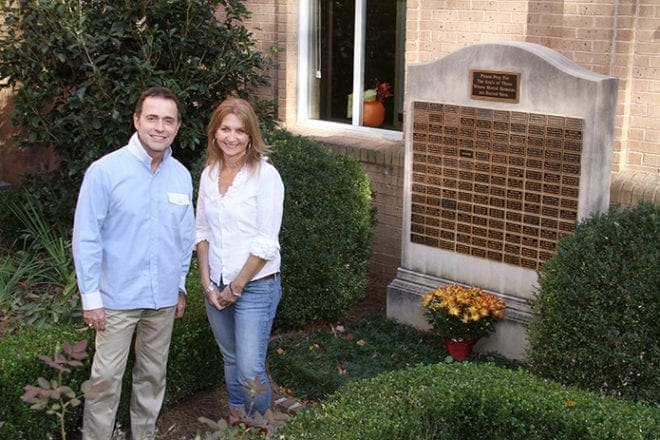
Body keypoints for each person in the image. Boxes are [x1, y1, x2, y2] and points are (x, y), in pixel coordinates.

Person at [72, 86, 195, 440]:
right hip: (115, 301)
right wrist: (91, 298)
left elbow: (183, 237)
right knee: (105, 381)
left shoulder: (181, 176)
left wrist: (180, 286)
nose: (160, 127)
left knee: (153, 376)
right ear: (137, 120)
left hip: (162, 301)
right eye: (152, 118)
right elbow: (87, 237)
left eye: (168, 120)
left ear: (177, 126)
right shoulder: (105, 171)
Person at [195, 96, 284, 429]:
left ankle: (261, 422)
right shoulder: (209, 173)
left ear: (251, 135)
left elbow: (265, 242)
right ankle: (237, 413)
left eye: (240, 131)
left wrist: (236, 286)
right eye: (225, 129)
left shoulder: (265, 176)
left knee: (250, 367)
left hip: (256, 286)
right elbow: (201, 229)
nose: (231, 137)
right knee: (230, 357)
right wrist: (207, 284)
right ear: (215, 132)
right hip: (216, 284)